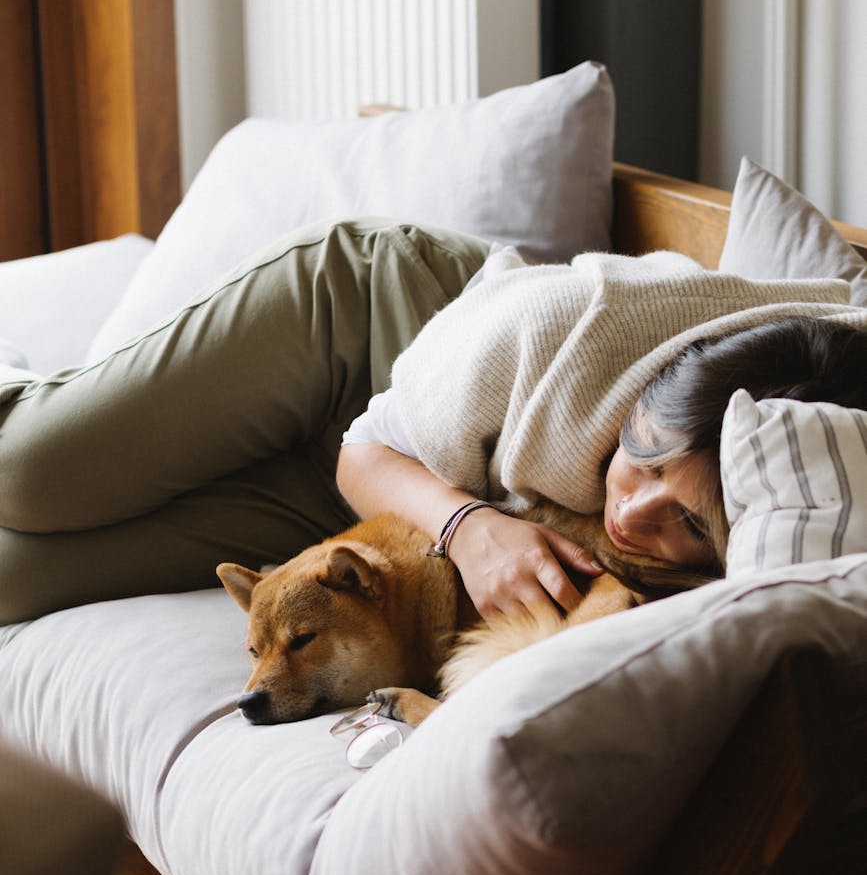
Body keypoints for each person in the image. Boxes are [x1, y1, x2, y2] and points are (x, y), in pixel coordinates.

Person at [0, 218, 865, 624]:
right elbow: (363, 449)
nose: (628, 516)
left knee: (16, 579)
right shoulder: (562, 329)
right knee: (32, 473)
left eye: (684, 521)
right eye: (639, 460)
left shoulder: (799, 467)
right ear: (640, 398)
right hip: (356, 342)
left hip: (387, 498)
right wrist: (472, 527)